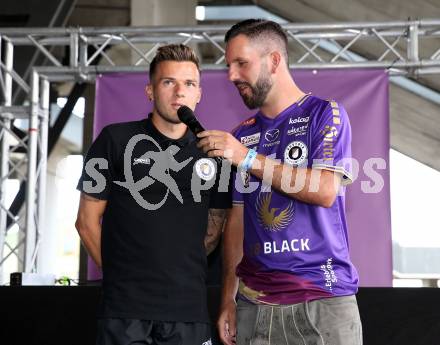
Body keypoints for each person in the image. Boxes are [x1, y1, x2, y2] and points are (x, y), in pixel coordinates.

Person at [196, 19, 362, 345]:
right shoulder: (244, 133)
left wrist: (247, 157)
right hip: (254, 306)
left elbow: (325, 190)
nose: (231, 76)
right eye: (228, 65)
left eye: (241, 63)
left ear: (274, 61)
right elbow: (238, 220)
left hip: (322, 299)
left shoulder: (325, 114)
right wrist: (228, 298)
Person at [75, 44, 230, 345]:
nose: (179, 92)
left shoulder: (215, 156)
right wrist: (122, 278)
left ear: (199, 94)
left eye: (189, 84)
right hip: (124, 313)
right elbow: (86, 222)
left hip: (189, 312)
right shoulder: (115, 140)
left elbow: (214, 230)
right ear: (150, 91)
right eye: (168, 82)